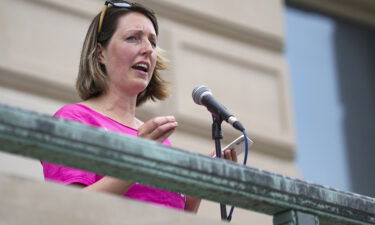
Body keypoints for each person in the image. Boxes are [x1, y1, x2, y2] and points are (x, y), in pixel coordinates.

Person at [42, 0, 237, 213]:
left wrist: (202, 184)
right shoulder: (74, 119)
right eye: (133, 38)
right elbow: (67, 210)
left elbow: (174, 215)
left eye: (152, 42)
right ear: (100, 53)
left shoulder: (157, 139)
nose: (148, 50)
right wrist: (137, 160)